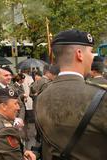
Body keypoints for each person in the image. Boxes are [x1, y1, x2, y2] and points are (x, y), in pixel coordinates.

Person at [35, 29, 107, 160]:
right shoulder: (101, 96)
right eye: (91, 52)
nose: (92, 57)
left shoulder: (41, 97)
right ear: (79, 54)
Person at [0, 88, 36, 160]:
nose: (18, 107)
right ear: (3, 106)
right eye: (15, 104)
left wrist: (24, 151)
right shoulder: (6, 130)